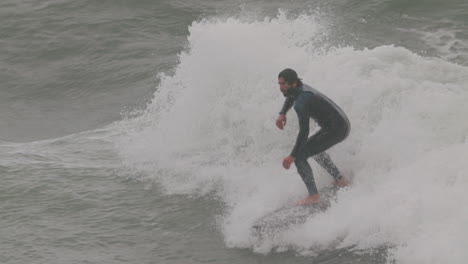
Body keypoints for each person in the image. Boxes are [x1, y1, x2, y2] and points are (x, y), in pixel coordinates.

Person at [276, 68, 351, 206]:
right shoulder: (299, 89)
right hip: (340, 124)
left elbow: (304, 131)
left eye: (283, 84)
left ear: (293, 83)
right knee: (314, 150)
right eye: (279, 84)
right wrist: (282, 113)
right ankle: (340, 179)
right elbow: (289, 97)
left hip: (337, 129)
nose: (281, 88)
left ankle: (313, 196)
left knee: (300, 156)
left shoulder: (301, 101)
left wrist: (292, 155)